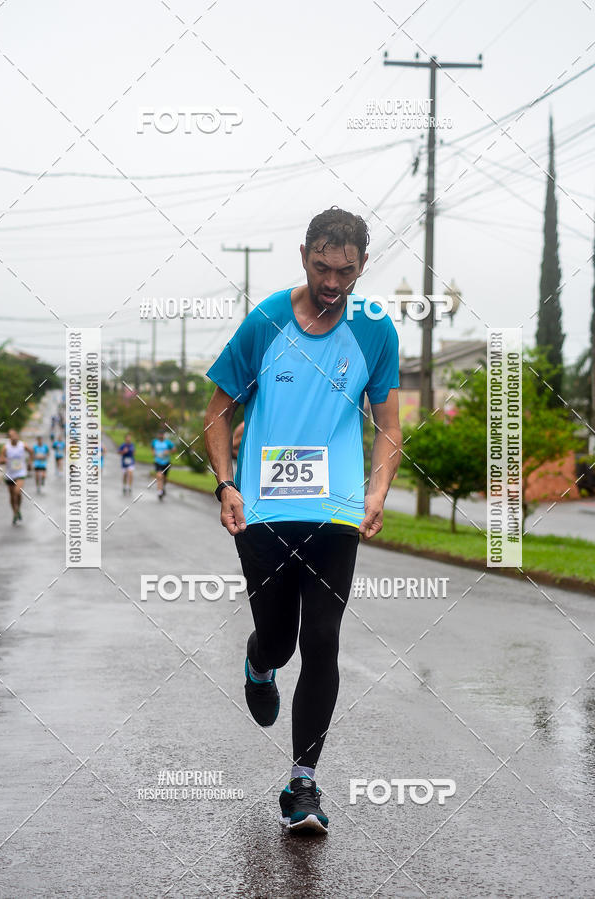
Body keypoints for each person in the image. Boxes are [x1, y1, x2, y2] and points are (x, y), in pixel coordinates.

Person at [204, 207, 401, 834]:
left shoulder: (374, 330)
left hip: (335, 508)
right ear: (304, 256)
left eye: (346, 271)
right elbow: (218, 413)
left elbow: (390, 426)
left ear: (363, 265)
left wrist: (376, 490)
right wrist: (226, 483)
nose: (333, 282)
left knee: (322, 640)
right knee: (281, 641)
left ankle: (303, 786)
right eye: (322, 267)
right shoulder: (265, 322)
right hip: (263, 506)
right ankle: (259, 664)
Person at [0, 429, 34, 524]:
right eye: (11, 436)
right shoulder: (6, 447)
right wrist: (3, 460)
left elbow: (31, 452)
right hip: (10, 474)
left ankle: (18, 508)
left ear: (17, 436)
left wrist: (30, 462)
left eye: (14, 435)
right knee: (11, 495)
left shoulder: (23, 445)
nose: (13, 437)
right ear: (9, 438)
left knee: (17, 492)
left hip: (21, 473)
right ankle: (15, 512)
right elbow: (0, 459)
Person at [151, 429, 174, 499]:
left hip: (166, 462)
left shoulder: (168, 442)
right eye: (160, 434)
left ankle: (163, 487)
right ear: (158, 435)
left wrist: (168, 451)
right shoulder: (154, 442)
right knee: (159, 475)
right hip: (158, 462)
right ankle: (160, 492)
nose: (161, 436)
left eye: (162, 434)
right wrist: (153, 452)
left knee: (165, 478)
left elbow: (174, 449)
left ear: (164, 435)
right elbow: (152, 448)